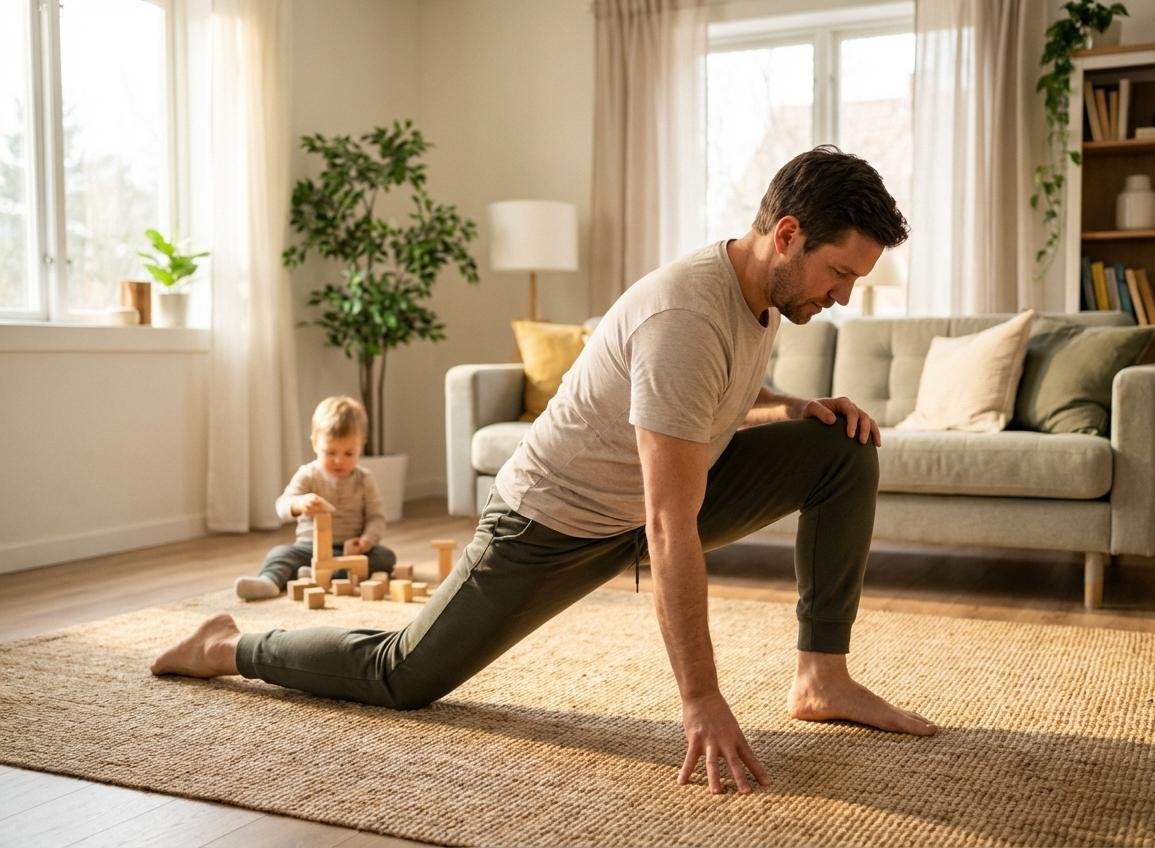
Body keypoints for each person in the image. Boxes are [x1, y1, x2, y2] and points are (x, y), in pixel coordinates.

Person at [153, 145, 936, 794]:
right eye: (841, 273)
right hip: (549, 524)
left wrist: (796, 408)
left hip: (643, 501)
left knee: (841, 448)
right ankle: (229, 647)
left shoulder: (760, 293)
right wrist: (700, 699)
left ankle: (820, 678)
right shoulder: (686, 315)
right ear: (790, 234)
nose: (844, 295)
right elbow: (672, 522)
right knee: (405, 675)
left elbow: (713, 393)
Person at [233, 396, 396, 600]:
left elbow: (376, 518)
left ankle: (319, 575)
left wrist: (366, 541)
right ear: (315, 443)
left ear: (361, 445)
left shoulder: (364, 479)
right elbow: (282, 505)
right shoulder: (308, 475)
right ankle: (269, 581)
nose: (339, 460)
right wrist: (299, 504)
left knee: (385, 558)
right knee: (279, 554)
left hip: (349, 553)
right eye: (330, 452)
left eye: (349, 453)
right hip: (309, 548)